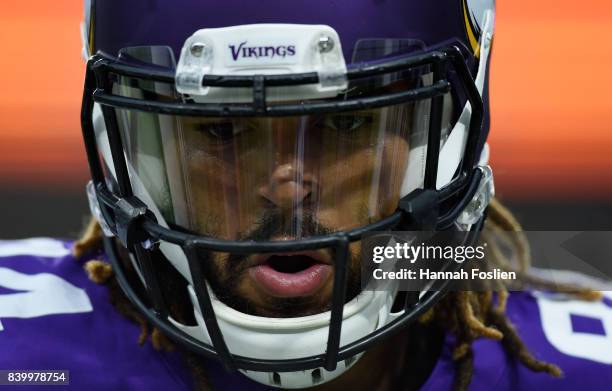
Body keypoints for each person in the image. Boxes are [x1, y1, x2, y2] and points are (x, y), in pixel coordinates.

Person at [1, 0, 610, 390]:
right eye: (220, 129)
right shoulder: (23, 357)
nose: (287, 185)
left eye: (346, 123)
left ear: (445, 142)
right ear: (128, 155)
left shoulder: (583, 368)